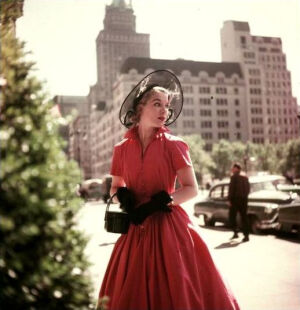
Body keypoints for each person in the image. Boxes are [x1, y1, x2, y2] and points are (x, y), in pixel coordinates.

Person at [99, 70, 240, 310]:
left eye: (167, 106)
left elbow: (191, 189)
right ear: (139, 109)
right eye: (157, 104)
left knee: (178, 288)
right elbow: (116, 185)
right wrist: (126, 200)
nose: (164, 111)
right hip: (134, 229)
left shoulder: (175, 145)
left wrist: (157, 203)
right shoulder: (121, 149)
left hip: (169, 228)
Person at [228, 162, 250, 242]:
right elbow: (248, 189)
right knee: (244, 217)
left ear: (237, 168)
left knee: (232, 217)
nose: (232, 169)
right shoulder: (245, 177)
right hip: (244, 200)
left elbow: (231, 190)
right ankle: (246, 235)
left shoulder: (234, 177)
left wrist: (230, 200)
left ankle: (236, 232)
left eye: (233, 168)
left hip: (235, 200)